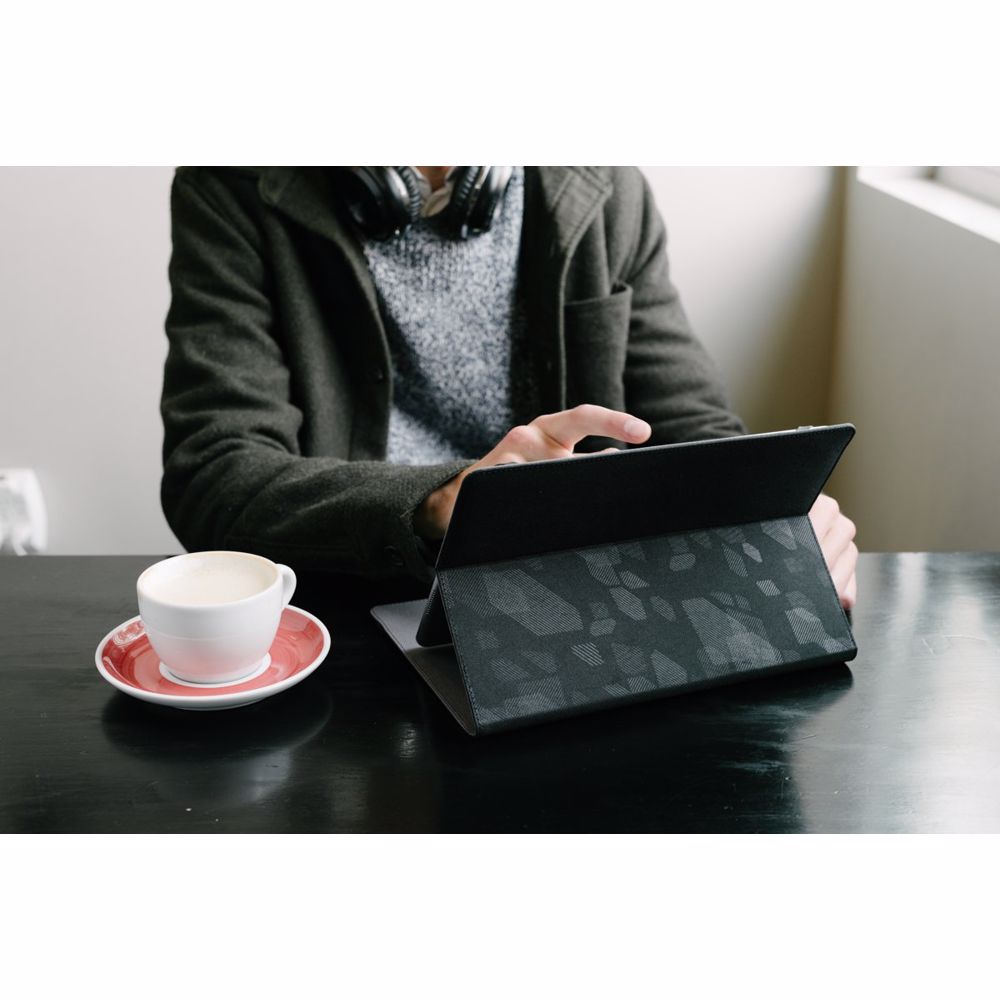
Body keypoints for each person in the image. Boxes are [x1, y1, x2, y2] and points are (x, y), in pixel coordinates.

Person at [161, 166, 857, 608]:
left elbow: (695, 430)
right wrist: (442, 501)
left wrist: (774, 512)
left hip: (584, 605)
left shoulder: (604, 186)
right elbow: (215, 477)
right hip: (357, 606)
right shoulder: (231, 186)